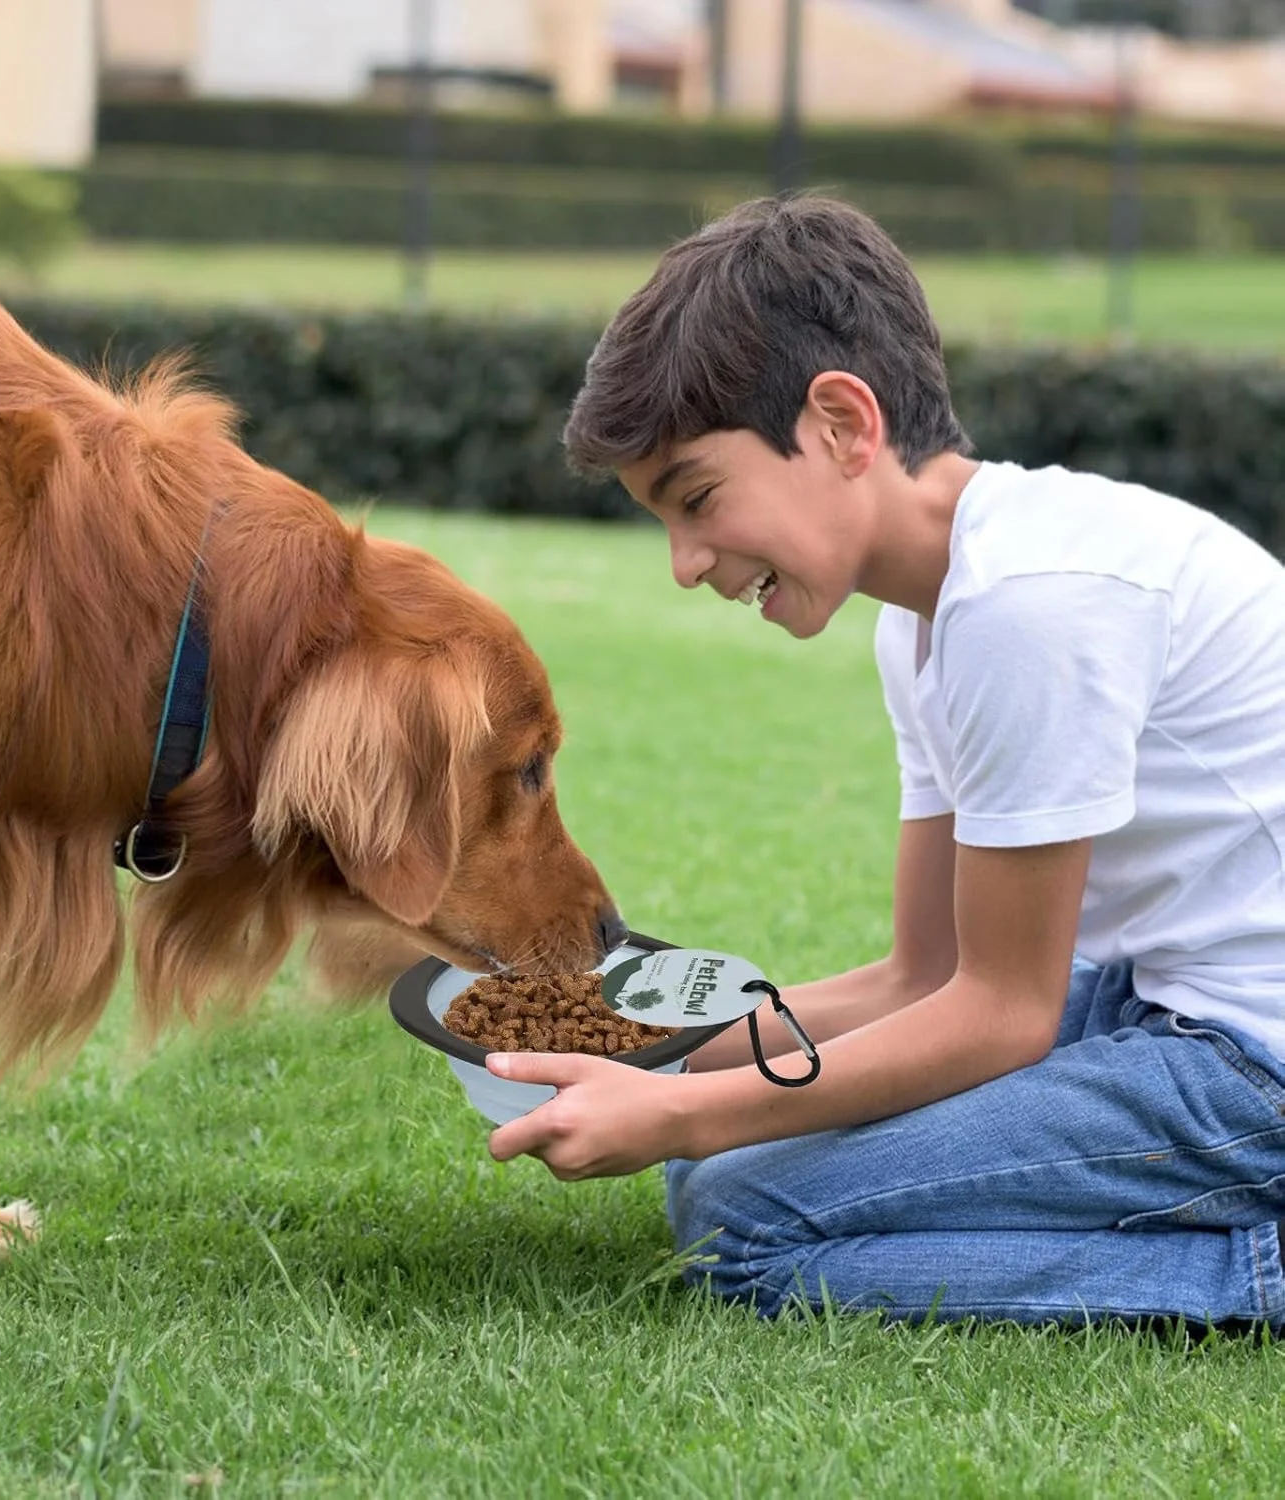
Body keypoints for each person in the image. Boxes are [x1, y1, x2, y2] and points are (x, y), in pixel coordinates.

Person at [483, 193, 1285, 1330]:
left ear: (843, 426)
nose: (685, 561)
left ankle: (1254, 1271)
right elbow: (924, 976)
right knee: (720, 1168)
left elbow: (1003, 1014)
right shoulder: (931, 619)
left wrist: (675, 1115)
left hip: (1253, 1064)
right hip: (1152, 1007)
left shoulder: (1028, 607)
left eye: (697, 499)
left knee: (737, 1225)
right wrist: (643, 1054)